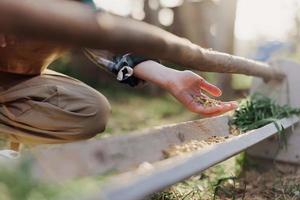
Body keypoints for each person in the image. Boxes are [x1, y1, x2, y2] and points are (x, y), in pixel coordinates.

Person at [0, 0, 237, 147]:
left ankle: (20, 158)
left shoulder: (79, 6)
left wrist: (168, 76)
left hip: (20, 81)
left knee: (91, 110)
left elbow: (107, 43)